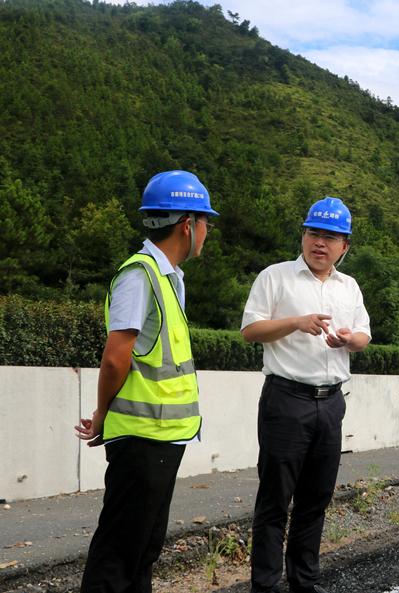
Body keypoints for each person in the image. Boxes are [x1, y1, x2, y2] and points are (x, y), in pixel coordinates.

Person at [75, 170, 218, 593]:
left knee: (142, 550)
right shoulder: (139, 275)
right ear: (187, 224)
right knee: (118, 555)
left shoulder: (168, 278)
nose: (208, 232)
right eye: (206, 222)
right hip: (140, 438)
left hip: (161, 438)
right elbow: (115, 359)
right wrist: (103, 414)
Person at [241, 197, 371, 593]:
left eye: (331, 237)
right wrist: (296, 322)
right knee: (275, 499)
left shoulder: (349, 286)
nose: (320, 243)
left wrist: (350, 340)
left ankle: (304, 580)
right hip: (286, 399)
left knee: (316, 498)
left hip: (331, 402)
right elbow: (250, 331)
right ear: (303, 235)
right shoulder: (275, 277)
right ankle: (264, 584)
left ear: (345, 246)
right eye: (314, 233)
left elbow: (364, 336)